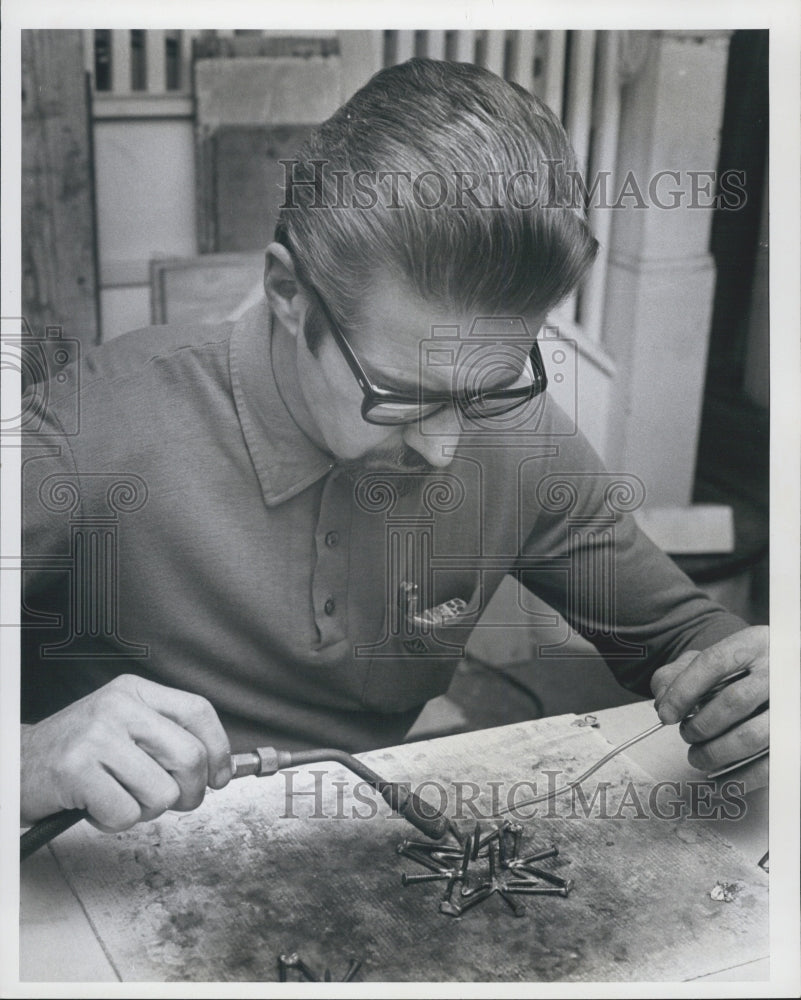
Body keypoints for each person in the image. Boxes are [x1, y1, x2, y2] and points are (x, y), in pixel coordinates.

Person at [20, 58, 768, 832]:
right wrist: (30, 755)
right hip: (96, 871)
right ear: (287, 293)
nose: (445, 446)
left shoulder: (519, 437)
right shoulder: (90, 429)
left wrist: (758, 686)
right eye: (401, 396)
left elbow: (685, 640)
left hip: (360, 847)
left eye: (486, 387)